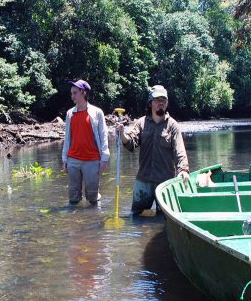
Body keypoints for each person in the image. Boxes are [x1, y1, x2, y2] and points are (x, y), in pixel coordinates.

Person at [118, 85, 190, 216]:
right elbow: (130, 144)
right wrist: (122, 134)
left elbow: (180, 151)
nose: (160, 103)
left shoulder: (173, 126)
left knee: (164, 218)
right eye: (157, 100)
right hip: (143, 180)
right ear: (150, 103)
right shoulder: (141, 123)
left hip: (165, 182)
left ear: (167, 103)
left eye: (164, 100)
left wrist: (183, 170)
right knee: (136, 216)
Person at [61, 80, 110, 205]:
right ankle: (74, 220)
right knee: (73, 197)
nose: (72, 96)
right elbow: (67, 138)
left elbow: (103, 135)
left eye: (75, 93)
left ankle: (94, 220)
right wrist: (64, 159)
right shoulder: (70, 113)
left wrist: (104, 158)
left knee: (93, 197)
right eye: (71, 93)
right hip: (73, 160)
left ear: (83, 92)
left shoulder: (96, 112)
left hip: (92, 160)